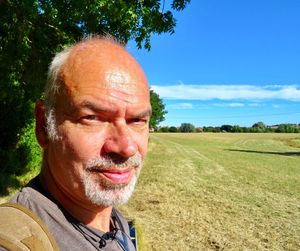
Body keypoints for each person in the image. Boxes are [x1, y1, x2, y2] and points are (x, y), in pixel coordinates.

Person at [1, 35, 151, 251]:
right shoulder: (13, 241)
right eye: (93, 118)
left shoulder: (113, 220)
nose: (126, 148)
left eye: (137, 120)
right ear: (44, 125)